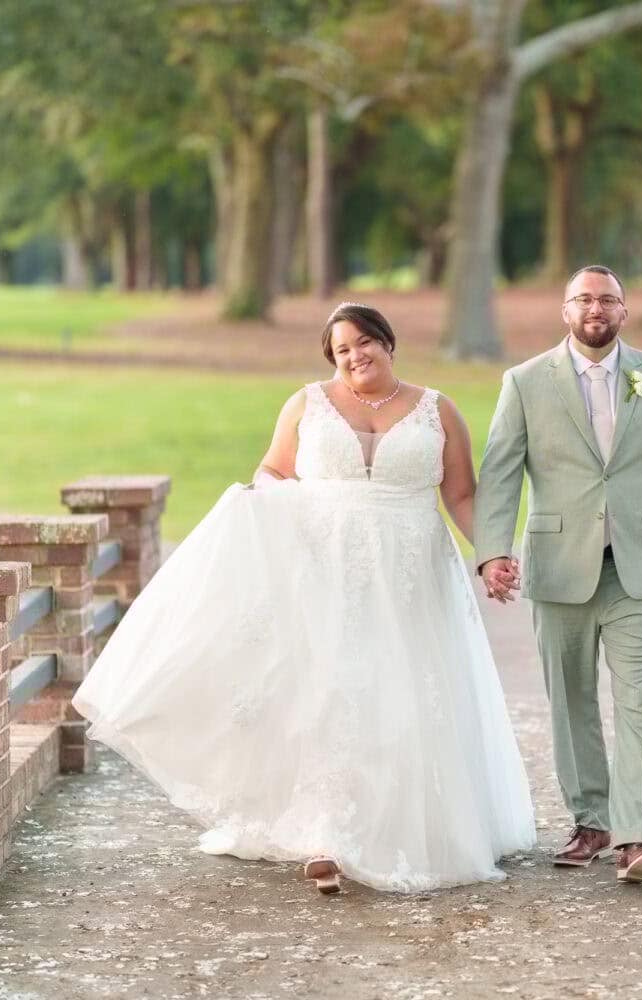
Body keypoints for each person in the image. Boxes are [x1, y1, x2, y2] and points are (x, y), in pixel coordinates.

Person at [73, 302, 535, 895]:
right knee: (330, 693)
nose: (354, 357)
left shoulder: (437, 409)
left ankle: (403, 826)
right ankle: (326, 837)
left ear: (388, 343)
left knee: (404, 695)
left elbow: (463, 494)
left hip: (413, 572)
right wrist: (259, 507)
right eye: (341, 350)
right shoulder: (307, 404)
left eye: (364, 343)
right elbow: (272, 471)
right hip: (325, 569)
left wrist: (491, 553)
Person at [473, 265, 642, 884]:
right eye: (584, 299)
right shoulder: (524, 382)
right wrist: (492, 551)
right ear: (565, 311)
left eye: (607, 299)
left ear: (625, 311)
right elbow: (500, 471)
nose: (595, 309)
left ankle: (637, 836)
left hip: (639, 569)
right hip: (557, 568)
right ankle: (592, 820)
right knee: (571, 701)